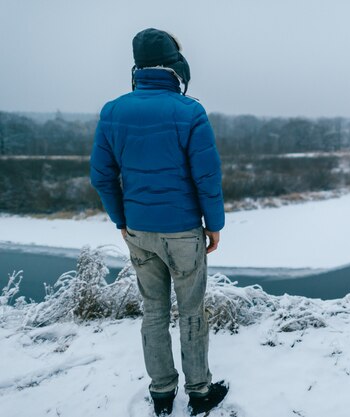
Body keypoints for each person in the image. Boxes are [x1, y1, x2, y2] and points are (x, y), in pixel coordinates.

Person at [90, 28, 228, 416]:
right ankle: (199, 393)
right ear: (174, 64)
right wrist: (213, 224)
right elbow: (207, 178)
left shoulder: (113, 110)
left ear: (138, 66)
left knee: (153, 311)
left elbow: (101, 176)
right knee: (191, 312)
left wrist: (121, 219)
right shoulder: (189, 111)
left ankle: (162, 394)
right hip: (183, 230)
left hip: (139, 231)